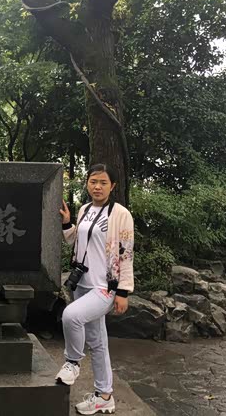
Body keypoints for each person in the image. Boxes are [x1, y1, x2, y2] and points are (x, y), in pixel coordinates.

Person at [55, 163, 134, 415]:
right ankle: (104, 395)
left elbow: (126, 254)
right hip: (82, 284)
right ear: (87, 183)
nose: (97, 187)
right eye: (93, 181)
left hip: (105, 286)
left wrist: (123, 291)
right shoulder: (85, 209)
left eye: (103, 182)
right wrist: (67, 223)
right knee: (98, 342)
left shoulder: (121, 214)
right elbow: (77, 241)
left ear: (113, 186)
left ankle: (72, 362)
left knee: (71, 316)